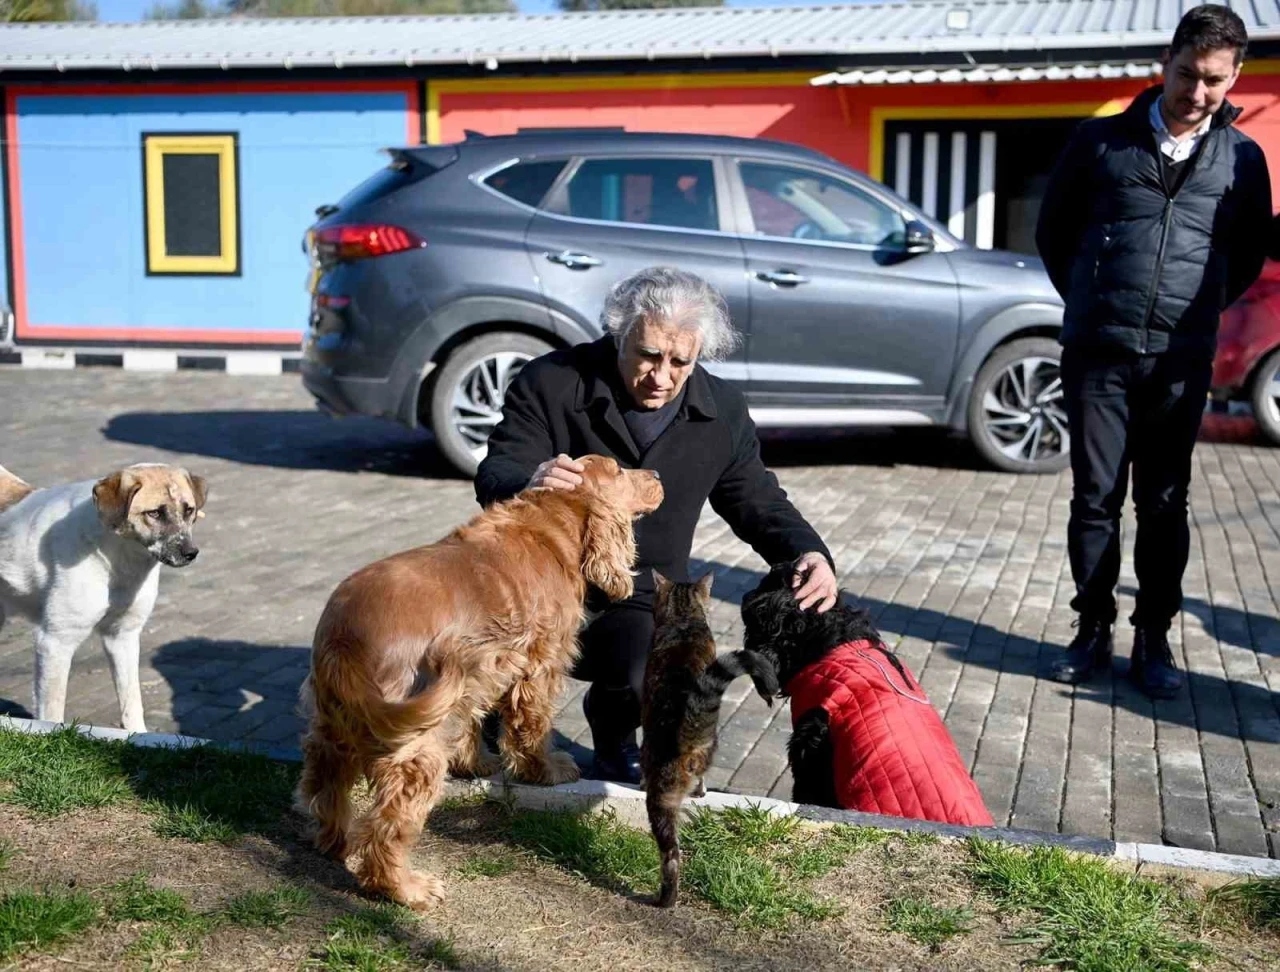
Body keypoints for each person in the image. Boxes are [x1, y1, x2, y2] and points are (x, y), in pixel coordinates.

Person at [474, 266, 837, 783]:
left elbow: (755, 498)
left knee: (658, 657)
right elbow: (497, 469)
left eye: (679, 361)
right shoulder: (551, 381)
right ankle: (489, 713)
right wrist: (529, 477)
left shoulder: (723, 411)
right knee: (490, 631)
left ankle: (616, 736)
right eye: (647, 355)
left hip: (639, 591)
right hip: (537, 580)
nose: (661, 377)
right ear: (618, 335)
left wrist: (807, 551)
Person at [1036, 3, 1273, 698]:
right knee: (1094, 499)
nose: (1197, 94)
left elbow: (1248, 253)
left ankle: (1154, 638)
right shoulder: (1099, 143)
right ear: (1163, 64)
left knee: (1166, 502)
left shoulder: (1243, 160)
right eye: (1187, 74)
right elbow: (1056, 236)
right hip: (1098, 354)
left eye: (1214, 82)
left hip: (1179, 359)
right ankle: (1091, 629)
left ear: (1233, 80)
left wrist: (1194, 313)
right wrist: (1092, 302)